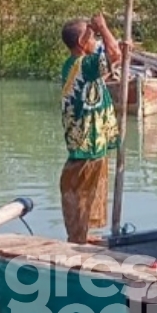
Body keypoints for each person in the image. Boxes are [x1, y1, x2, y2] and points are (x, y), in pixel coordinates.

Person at [58, 12, 122, 244]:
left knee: (85, 191)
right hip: (87, 143)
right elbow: (114, 54)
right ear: (82, 43)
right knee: (80, 192)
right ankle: (77, 238)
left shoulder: (74, 64)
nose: (95, 42)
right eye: (92, 38)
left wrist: (106, 38)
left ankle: (81, 234)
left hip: (85, 142)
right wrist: (103, 28)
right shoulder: (84, 65)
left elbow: (113, 55)